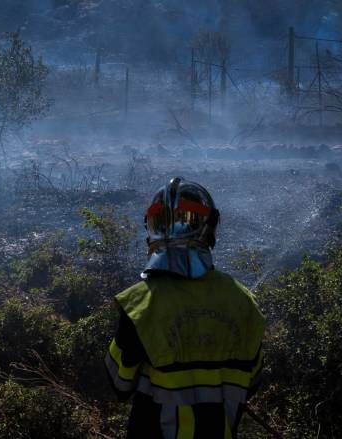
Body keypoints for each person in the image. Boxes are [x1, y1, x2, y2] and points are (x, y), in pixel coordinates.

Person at [105, 177, 265, 438]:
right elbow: (252, 383)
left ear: (151, 228)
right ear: (209, 227)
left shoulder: (140, 305)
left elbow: (120, 384)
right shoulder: (244, 302)